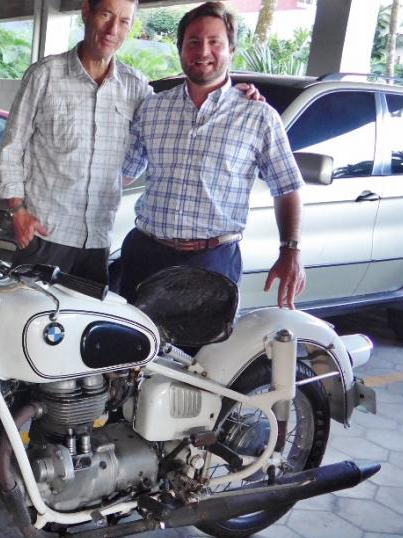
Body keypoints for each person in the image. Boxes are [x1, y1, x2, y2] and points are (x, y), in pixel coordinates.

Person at [119, 1, 305, 308]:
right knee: (132, 351)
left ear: (231, 49)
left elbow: (287, 189)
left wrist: (290, 251)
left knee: (204, 356)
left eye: (214, 42)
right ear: (180, 49)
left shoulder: (258, 116)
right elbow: (121, 174)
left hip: (212, 262)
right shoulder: (152, 109)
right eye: (193, 42)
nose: (202, 51)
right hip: (146, 255)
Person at [0, 0, 147, 286]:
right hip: (44, 236)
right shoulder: (44, 75)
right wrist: (17, 211)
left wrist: (237, 91)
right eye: (106, 15)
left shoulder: (136, 87)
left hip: (96, 243)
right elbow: (12, 147)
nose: (113, 29)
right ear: (86, 12)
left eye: (124, 21)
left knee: (85, 328)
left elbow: (172, 118)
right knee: (27, 325)